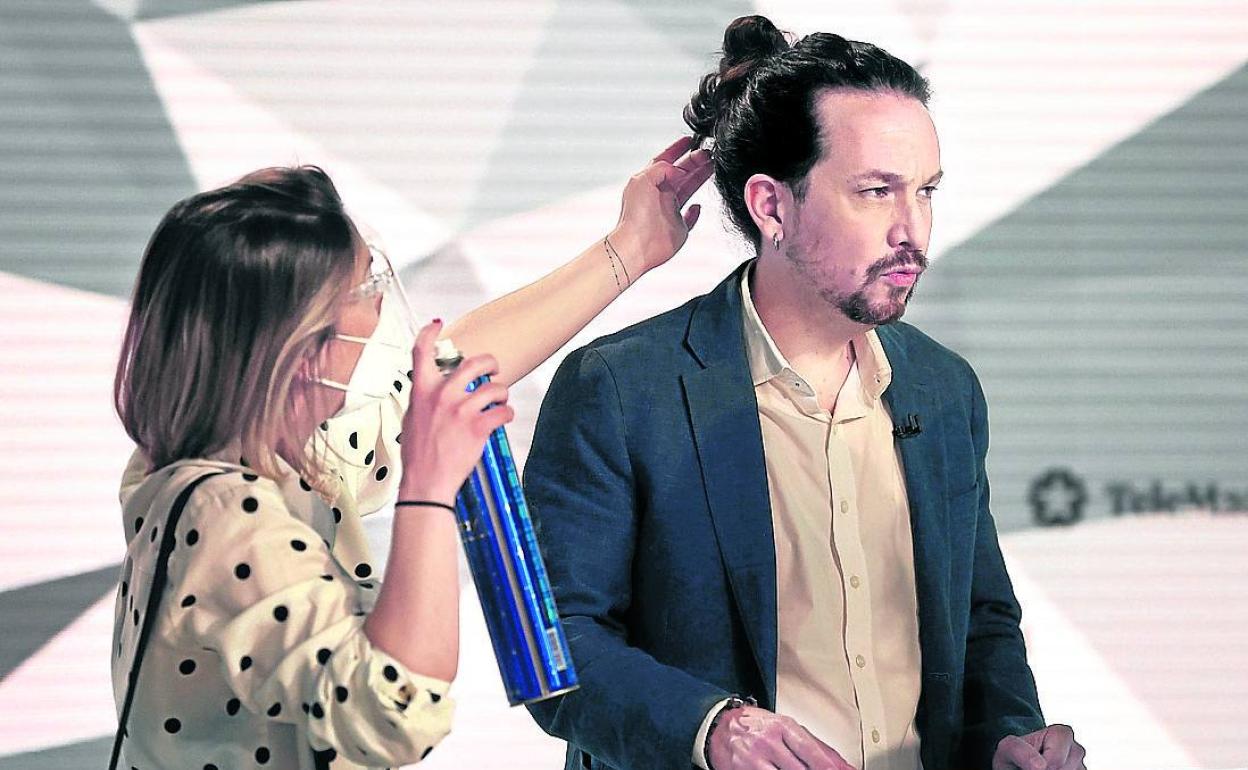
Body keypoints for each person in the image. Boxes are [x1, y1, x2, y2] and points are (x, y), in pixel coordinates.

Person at [522, 16, 1087, 770]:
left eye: (925, 191)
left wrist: (1008, 738)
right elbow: (554, 645)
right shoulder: (622, 389)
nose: (912, 230)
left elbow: (980, 622)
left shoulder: (944, 387)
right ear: (771, 207)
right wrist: (711, 730)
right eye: (876, 192)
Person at [108, 137, 710, 769]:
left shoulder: (243, 462)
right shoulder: (231, 515)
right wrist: (428, 485)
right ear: (301, 350)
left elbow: (449, 370)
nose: (380, 308)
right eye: (364, 288)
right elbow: (395, 711)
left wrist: (630, 248)